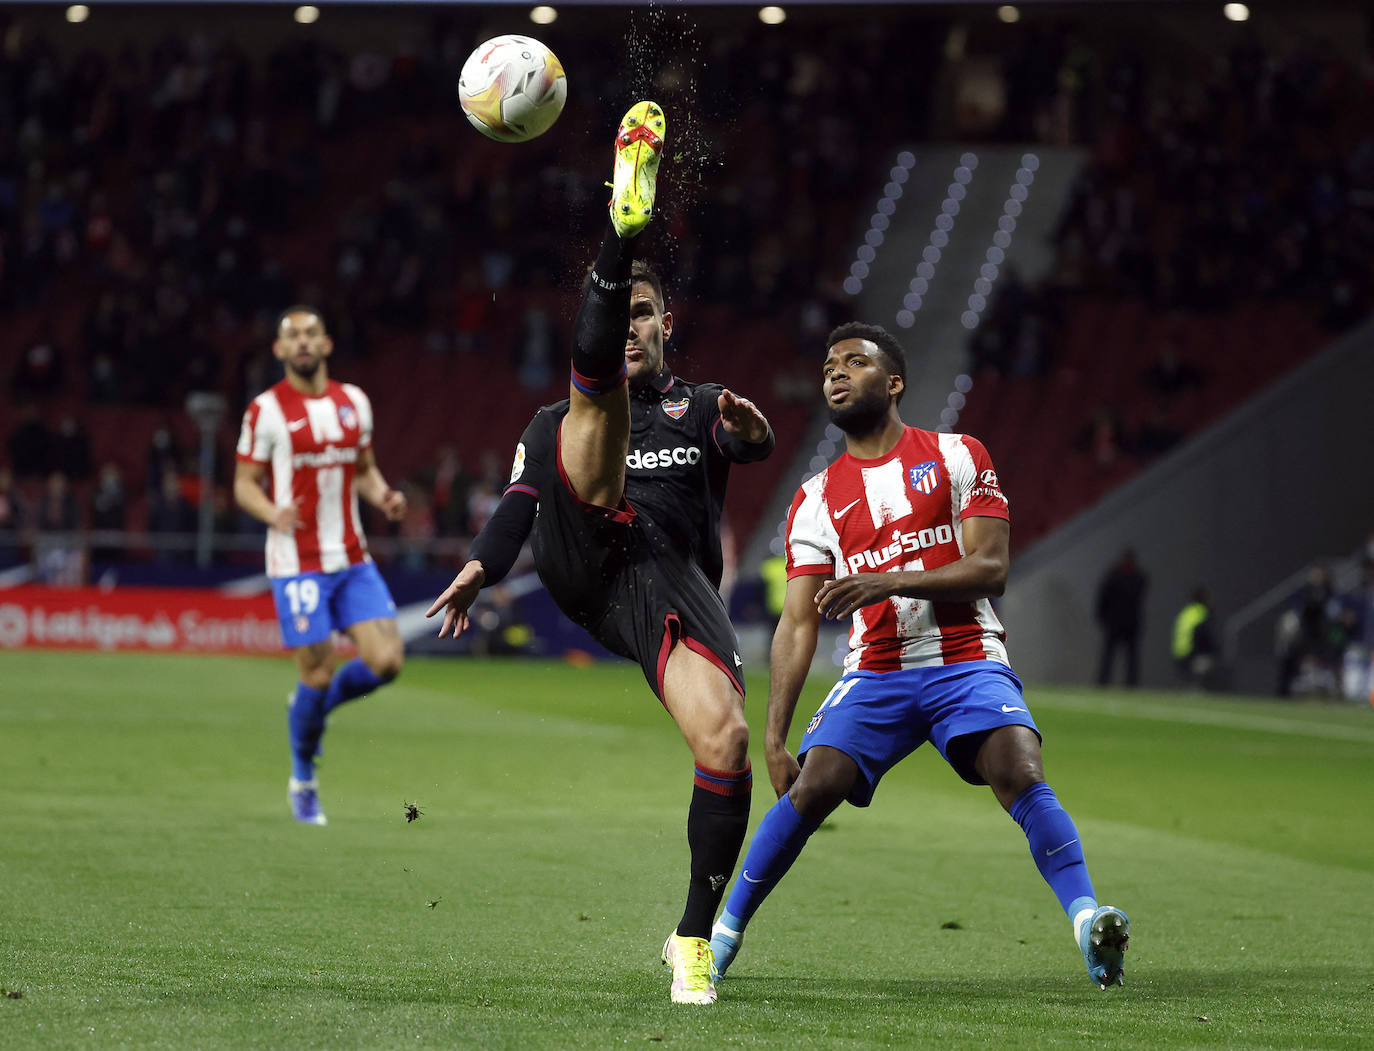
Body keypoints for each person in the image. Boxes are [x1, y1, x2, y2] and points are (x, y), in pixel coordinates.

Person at [426, 102, 775, 1006]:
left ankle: (691, 937)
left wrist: (754, 431)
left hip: (666, 577)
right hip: (586, 554)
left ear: (669, 323)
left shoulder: (699, 407)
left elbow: (748, 447)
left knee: (727, 740)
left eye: (644, 313)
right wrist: (478, 565)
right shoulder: (554, 421)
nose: (634, 327)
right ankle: (622, 229)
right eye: (622, 311)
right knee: (595, 411)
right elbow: (518, 503)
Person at [706, 323, 1130, 991]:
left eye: (855, 362)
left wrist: (891, 580)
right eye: (828, 366)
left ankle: (1088, 922)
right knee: (815, 785)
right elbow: (796, 621)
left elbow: (991, 566)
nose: (836, 374)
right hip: (876, 671)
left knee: (1019, 768)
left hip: (966, 657)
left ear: (894, 382)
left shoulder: (958, 455)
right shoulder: (815, 498)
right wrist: (776, 733)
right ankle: (719, 937)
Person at [234, 305, 408, 826]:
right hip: (297, 565)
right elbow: (243, 484)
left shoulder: (354, 402)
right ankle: (303, 779)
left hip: (352, 558)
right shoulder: (264, 410)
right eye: (293, 336)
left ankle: (311, 709)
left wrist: (384, 497)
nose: (304, 342)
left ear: (327, 344)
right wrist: (272, 512)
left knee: (388, 662)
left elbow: (364, 470)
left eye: (312, 334)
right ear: (280, 350)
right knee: (316, 671)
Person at [1095, 548, 1148, 686]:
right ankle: (1102, 683)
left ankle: (1131, 685)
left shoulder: (1138, 578)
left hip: (1130, 624)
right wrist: (1103, 619)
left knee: (1131, 658)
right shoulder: (1113, 577)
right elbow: (1103, 600)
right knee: (1109, 656)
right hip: (1115, 623)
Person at [1172, 586, 1216, 689]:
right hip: (1190, 655)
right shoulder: (1201, 613)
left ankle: (1192, 686)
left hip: (1178, 653)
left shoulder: (1187, 611)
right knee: (1209, 661)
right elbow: (1204, 638)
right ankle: (1199, 687)